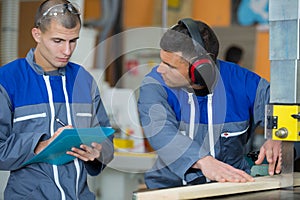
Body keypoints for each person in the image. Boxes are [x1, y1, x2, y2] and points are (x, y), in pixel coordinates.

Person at [137, 18, 281, 189]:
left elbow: (285, 110)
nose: (160, 69)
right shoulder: (154, 84)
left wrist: (280, 136)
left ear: (200, 70)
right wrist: (203, 161)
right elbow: (161, 130)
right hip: (169, 189)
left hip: (233, 188)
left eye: (170, 66)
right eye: (161, 60)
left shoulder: (245, 83)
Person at [0, 0, 114, 199]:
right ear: (37, 34)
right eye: (58, 41)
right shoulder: (8, 80)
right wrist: (41, 145)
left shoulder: (83, 80)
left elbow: (106, 140)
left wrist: (99, 152)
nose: (67, 51)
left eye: (73, 41)